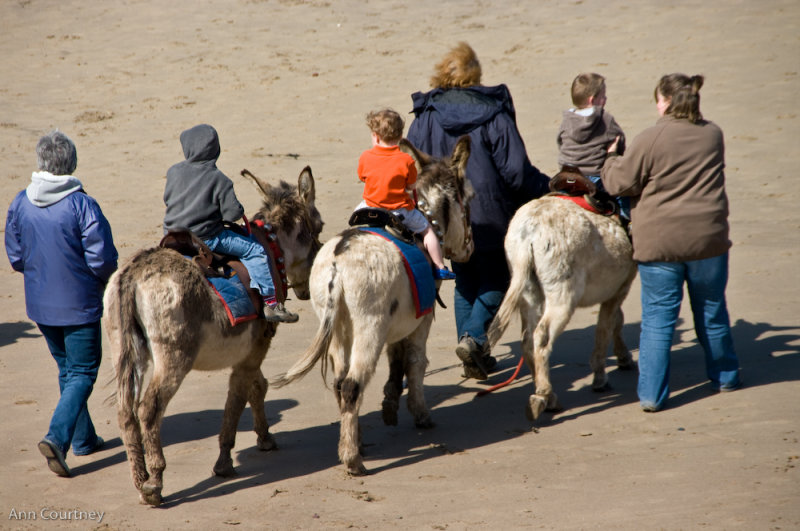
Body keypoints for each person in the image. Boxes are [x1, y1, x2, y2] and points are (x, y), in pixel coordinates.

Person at [407, 42, 550, 380]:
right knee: (499, 277)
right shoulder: (494, 114)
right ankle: (473, 340)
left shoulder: (425, 115)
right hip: (490, 213)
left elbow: (410, 166)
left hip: (440, 220)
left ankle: (473, 352)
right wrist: (546, 187)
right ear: (476, 75)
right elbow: (516, 172)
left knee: (466, 280)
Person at [602, 73, 741, 412]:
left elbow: (619, 183)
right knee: (711, 309)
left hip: (660, 244)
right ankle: (725, 376)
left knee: (658, 319)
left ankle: (652, 395)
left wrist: (609, 159)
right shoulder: (713, 134)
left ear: (665, 102)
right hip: (708, 240)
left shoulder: (651, 137)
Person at [5, 130, 118, 477]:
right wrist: (107, 282)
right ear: (71, 163)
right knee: (83, 372)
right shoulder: (82, 204)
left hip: (40, 307)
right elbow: (102, 260)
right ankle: (57, 437)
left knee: (68, 370)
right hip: (80, 305)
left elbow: (16, 255)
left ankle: (83, 440)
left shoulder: (20, 201)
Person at [163, 123, 298, 323]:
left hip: (172, 235)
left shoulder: (173, 172)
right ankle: (271, 304)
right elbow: (232, 214)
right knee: (255, 250)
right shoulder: (219, 179)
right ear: (215, 150)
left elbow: (167, 199)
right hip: (207, 238)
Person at [355, 108, 456, 280]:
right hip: (399, 210)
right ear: (401, 137)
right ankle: (439, 266)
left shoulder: (365, 157)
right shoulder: (406, 160)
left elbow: (362, 177)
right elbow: (410, 186)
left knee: (354, 223)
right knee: (427, 231)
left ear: (376, 136)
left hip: (370, 206)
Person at [557, 72, 629, 219]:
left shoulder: (566, 120)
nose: (606, 99)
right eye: (603, 96)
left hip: (568, 175)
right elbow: (619, 140)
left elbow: (560, 142)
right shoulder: (605, 119)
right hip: (595, 177)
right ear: (592, 100)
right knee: (623, 194)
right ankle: (627, 219)